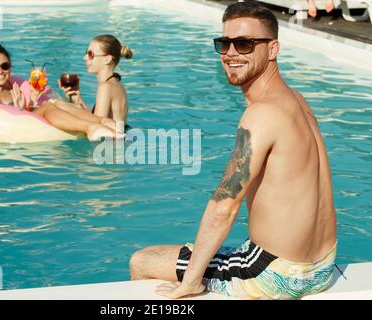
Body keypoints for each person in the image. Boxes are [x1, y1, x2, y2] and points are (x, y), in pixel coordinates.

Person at [129, 2, 337, 300]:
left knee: (144, 260)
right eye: (224, 43)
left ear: (273, 49)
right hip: (320, 267)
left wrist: (190, 281)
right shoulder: (297, 101)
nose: (231, 53)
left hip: (273, 273)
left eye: (244, 44)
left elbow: (224, 205)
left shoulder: (262, 113)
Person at [0, 38, 115, 141]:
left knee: (55, 103)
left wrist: (31, 100)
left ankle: (103, 122)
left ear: (10, 66)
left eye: (4, 66)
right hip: (5, 129)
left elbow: (26, 112)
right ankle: (91, 128)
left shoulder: (15, 88)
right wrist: (20, 109)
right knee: (47, 106)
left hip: (23, 121)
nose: (0, 71)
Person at [55, 34, 133, 133]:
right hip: (116, 141)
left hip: (109, 145)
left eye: (90, 54)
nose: (85, 57)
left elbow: (98, 126)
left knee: (55, 105)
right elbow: (97, 118)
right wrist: (76, 98)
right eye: (86, 53)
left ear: (107, 59)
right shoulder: (114, 83)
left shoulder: (106, 87)